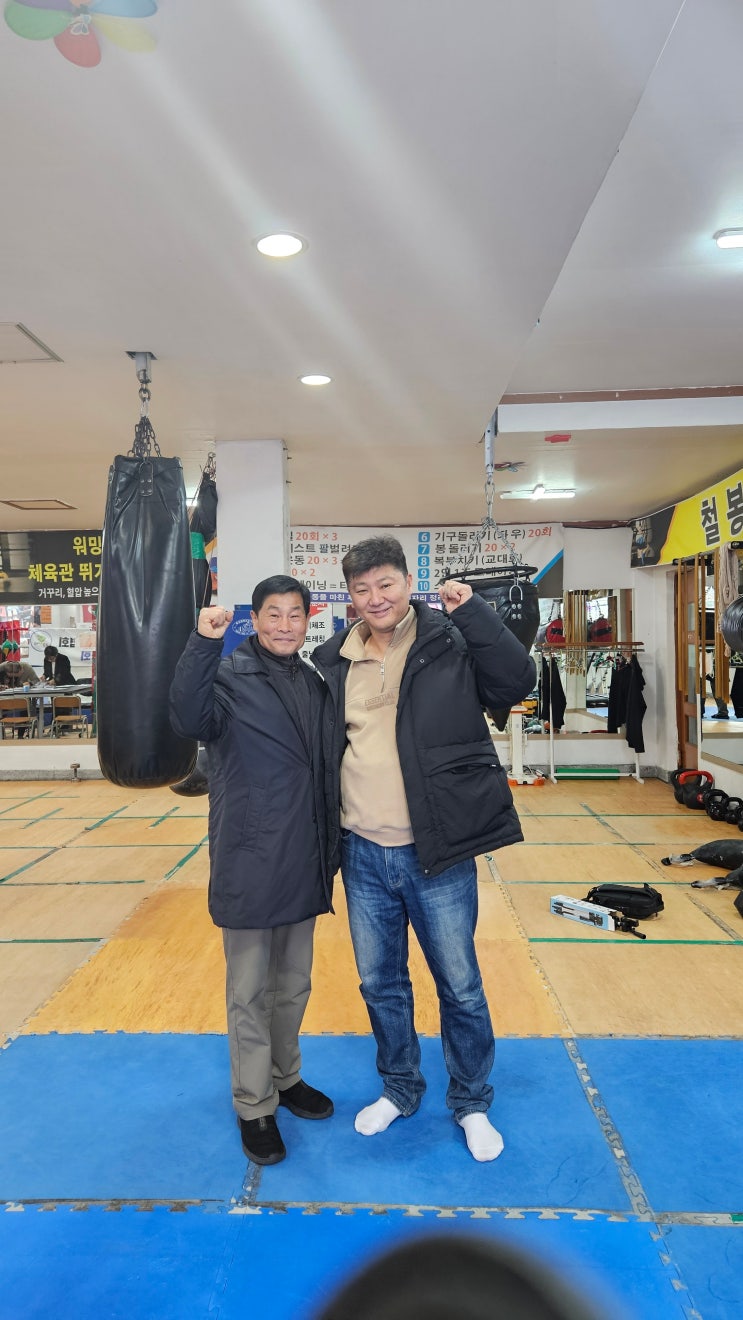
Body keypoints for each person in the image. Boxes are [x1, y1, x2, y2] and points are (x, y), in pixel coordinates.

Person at [312, 536, 536, 1163]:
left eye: (385, 584)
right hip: (362, 851)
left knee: (459, 985)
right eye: (362, 589)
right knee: (380, 983)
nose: (375, 598)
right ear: (350, 596)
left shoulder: (450, 640)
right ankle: (400, 1088)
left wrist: (475, 614)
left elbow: (516, 681)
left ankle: (471, 1101)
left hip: (436, 847)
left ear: (408, 583)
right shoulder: (335, 658)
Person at [169, 575, 334, 1166]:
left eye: (295, 615)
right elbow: (187, 718)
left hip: (305, 856)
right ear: (255, 620)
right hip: (251, 857)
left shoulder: (312, 681)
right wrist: (201, 643)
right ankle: (254, 1104)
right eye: (273, 614)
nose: (284, 625)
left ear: (307, 620)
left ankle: (286, 1078)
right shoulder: (229, 676)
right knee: (249, 992)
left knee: (294, 985)